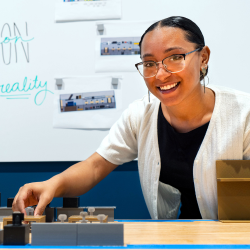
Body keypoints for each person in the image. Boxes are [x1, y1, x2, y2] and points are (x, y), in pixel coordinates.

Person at [12, 16, 250, 219]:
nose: (161, 74)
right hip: (177, 239)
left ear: (203, 58)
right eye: (149, 63)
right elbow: (96, 166)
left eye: (175, 57)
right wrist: (52, 185)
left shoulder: (243, 114)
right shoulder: (141, 116)